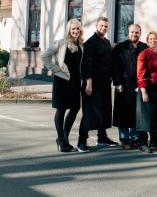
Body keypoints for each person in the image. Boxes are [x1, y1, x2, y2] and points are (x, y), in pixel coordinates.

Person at [41, 18, 84, 153]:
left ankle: (64, 137)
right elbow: (45, 56)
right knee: (61, 109)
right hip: (62, 81)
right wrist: (56, 70)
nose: (75, 31)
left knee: (75, 108)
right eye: (73, 29)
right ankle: (61, 139)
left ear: (80, 30)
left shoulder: (82, 45)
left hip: (75, 81)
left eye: (77, 28)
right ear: (69, 31)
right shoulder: (61, 43)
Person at [78, 16, 117, 152]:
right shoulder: (90, 43)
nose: (103, 28)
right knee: (90, 112)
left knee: (104, 110)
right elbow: (86, 64)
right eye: (101, 26)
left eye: (106, 26)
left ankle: (102, 137)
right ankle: (81, 141)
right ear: (96, 26)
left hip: (105, 83)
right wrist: (88, 82)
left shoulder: (106, 42)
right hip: (92, 83)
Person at [112, 24, 148, 150]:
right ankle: (124, 138)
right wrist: (117, 83)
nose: (134, 34)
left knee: (135, 113)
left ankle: (134, 138)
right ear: (128, 33)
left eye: (137, 32)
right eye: (132, 32)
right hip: (123, 84)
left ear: (140, 33)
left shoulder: (144, 47)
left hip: (138, 85)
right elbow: (115, 67)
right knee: (122, 113)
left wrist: (143, 84)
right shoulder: (120, 48)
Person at [136, 31, 157, 152]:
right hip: (147, 87)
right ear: (148, 41)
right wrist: (143, 91)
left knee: (155, 116)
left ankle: (154, 141)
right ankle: (142, 142)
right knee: (144, 116)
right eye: (151, 39)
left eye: (155, 39)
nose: (153, 41)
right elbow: (140, 73)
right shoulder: (144, 54)